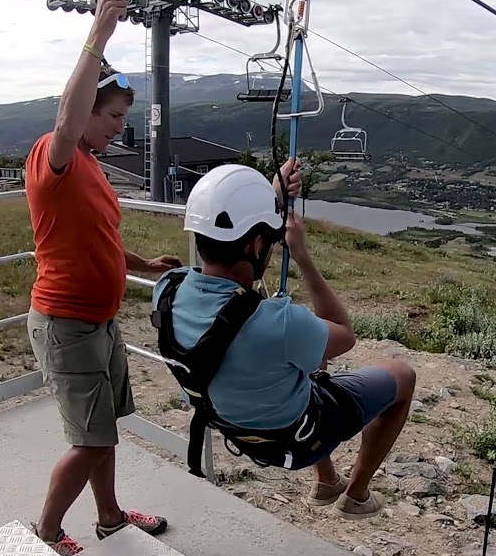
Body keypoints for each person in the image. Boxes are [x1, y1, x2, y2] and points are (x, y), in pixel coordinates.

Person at [151, 163, 417, 520]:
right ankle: (357, 494)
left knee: (307, 356)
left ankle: (326, 481)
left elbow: (227, 289)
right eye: (271, 242)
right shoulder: (279, 323)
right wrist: (302, 255)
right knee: (403, 376)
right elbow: (342, 332)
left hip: (227, 422)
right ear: (257, 244)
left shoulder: (166, 290)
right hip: (296, 438)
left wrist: (269, 196)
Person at [25, 0, 181, 556]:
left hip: (100, 321)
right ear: (86, 110)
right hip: (68, 325)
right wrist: (100, 30)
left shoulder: (89, 165)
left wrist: (142, 263)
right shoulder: (56, 155)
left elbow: (98, 239)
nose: (120, 126)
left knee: (104, 430)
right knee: (90, 440)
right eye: (112, 115)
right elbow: (67, 121)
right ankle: (46, 530)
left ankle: (111, 517)